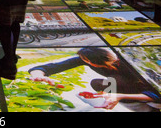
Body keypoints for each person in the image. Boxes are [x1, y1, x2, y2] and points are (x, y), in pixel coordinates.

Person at [28, 47, 161, 111]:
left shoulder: (127, 65)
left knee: (114, 80)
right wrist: (38, 75)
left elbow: (156, 94)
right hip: (126, 86)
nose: (87, 63)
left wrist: (118, 95)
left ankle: (148, 108)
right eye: (85, 60)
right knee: (98, 83)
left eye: (88, 61)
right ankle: (123, 100)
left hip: (149, 92)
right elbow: (50, 67)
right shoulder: (87, 60)